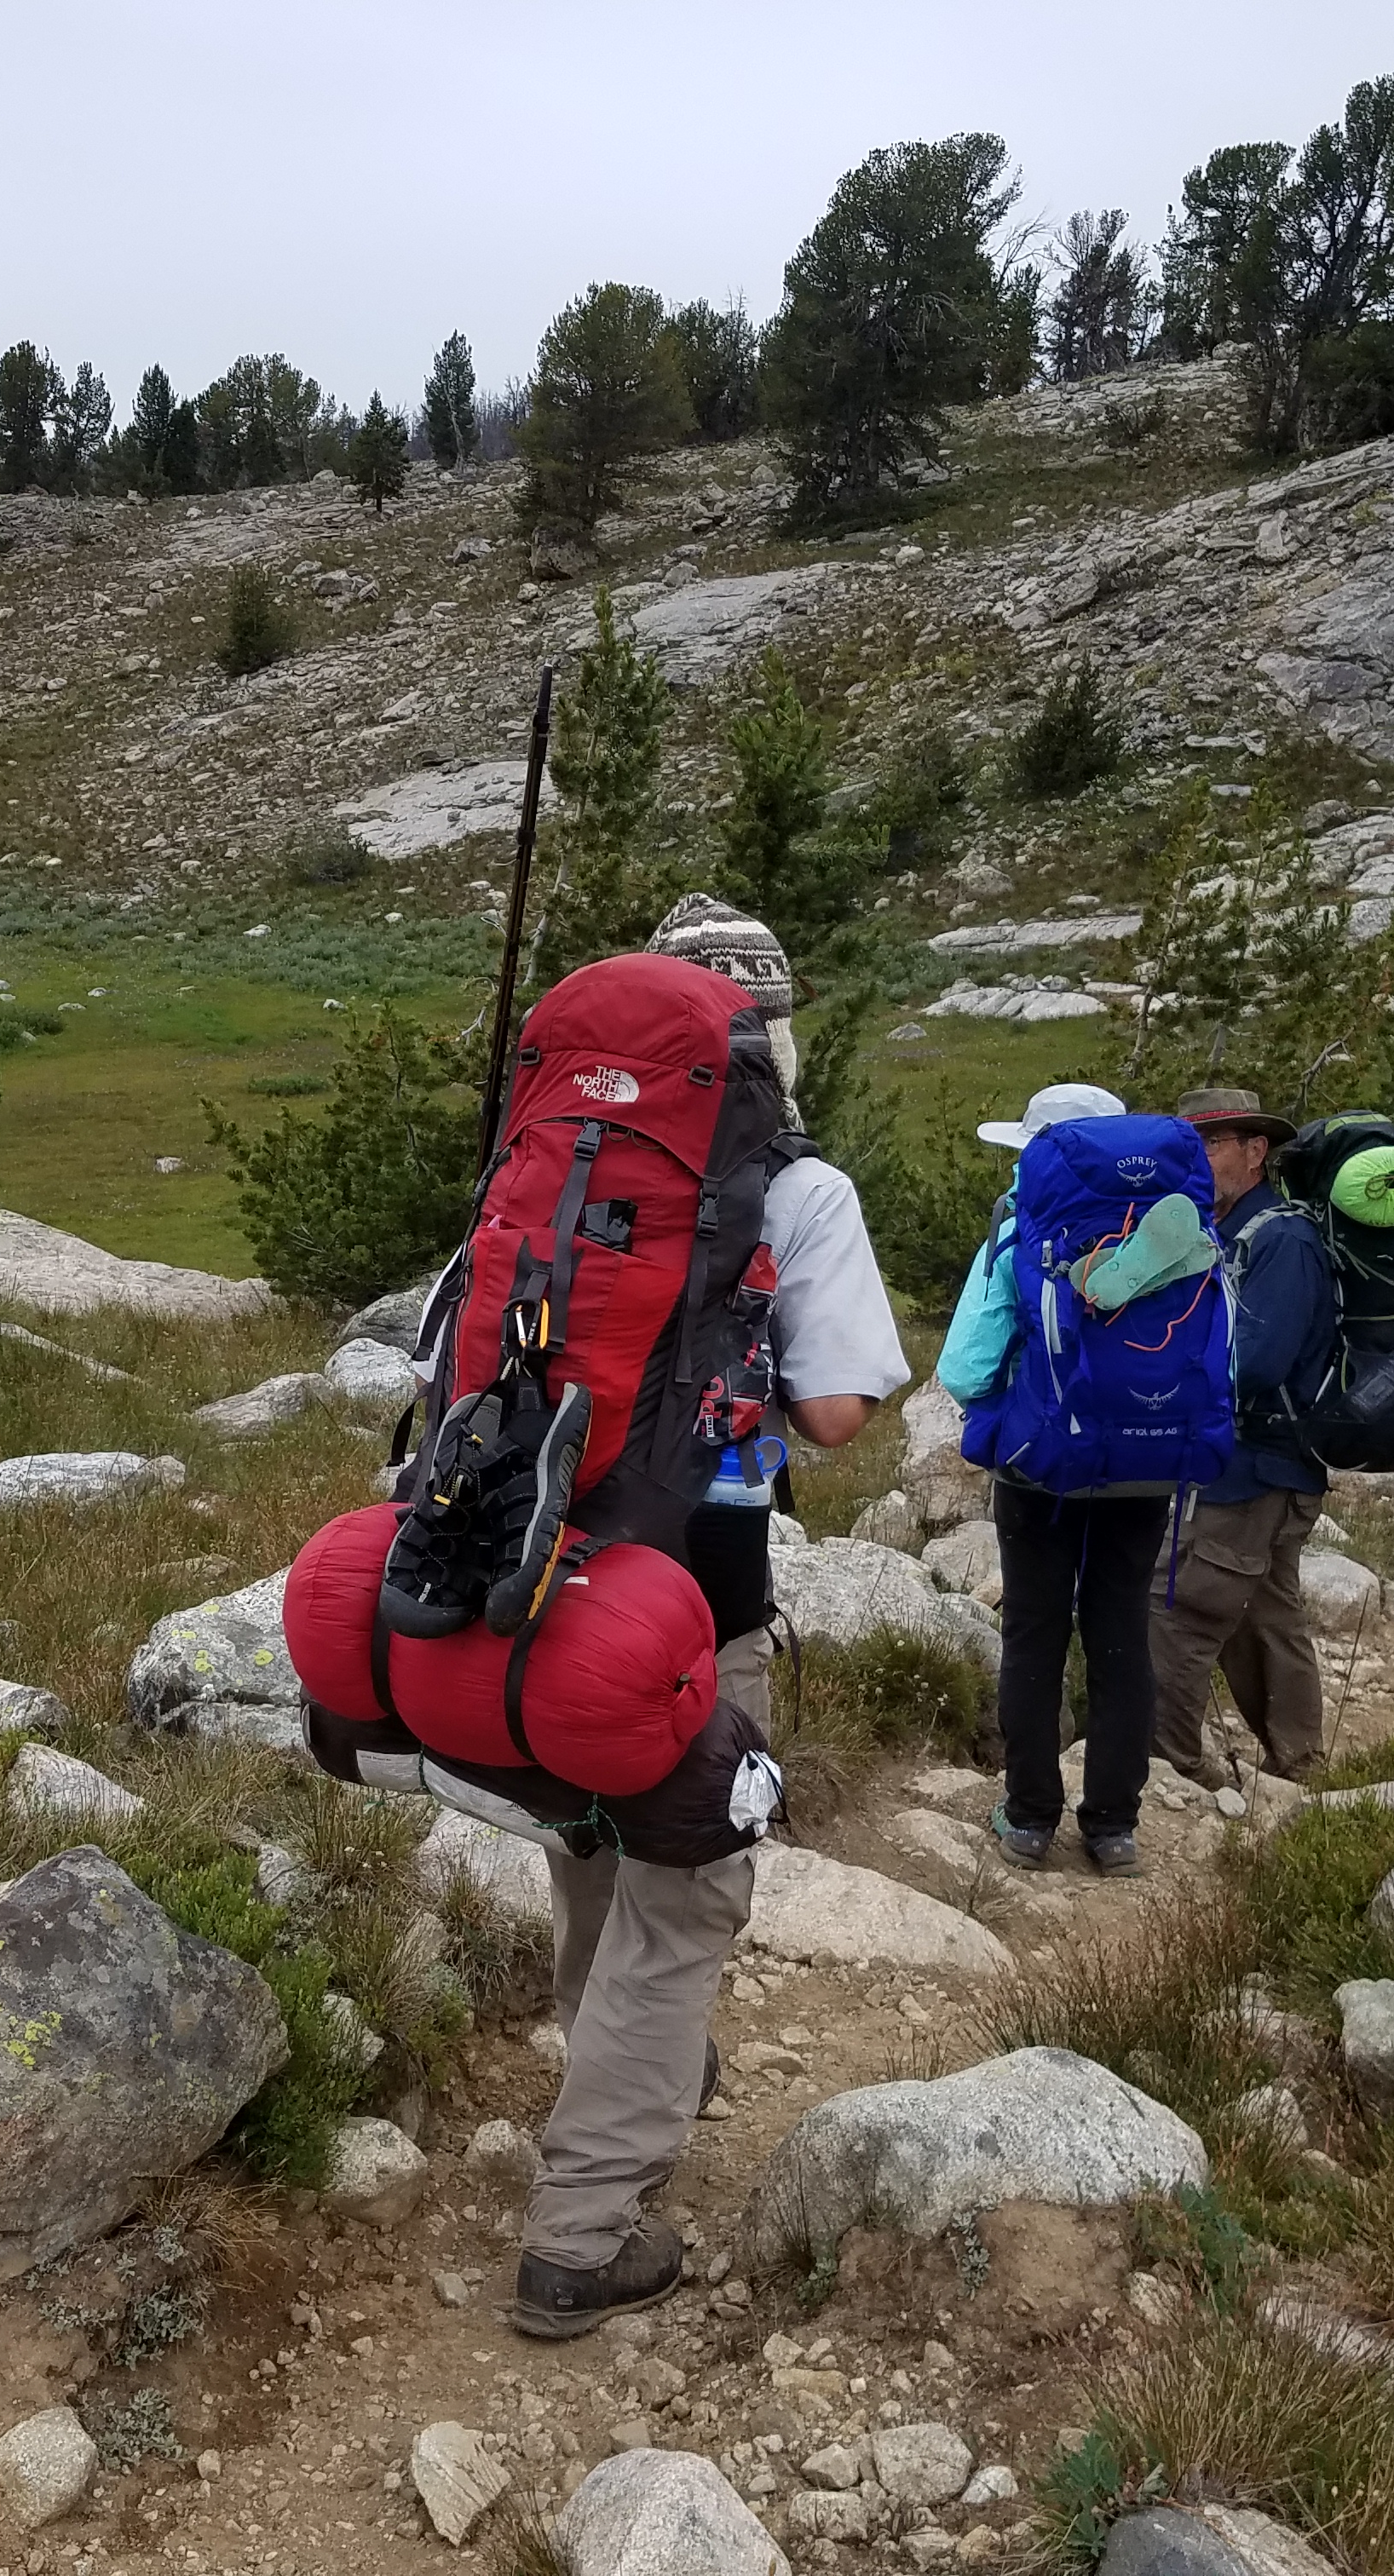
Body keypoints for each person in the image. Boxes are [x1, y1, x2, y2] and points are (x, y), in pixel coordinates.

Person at [512, 896, 909, 2338]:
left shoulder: (542, 1163)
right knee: (686, 1898)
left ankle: (622, 2072)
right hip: (694, 1595)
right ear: (770, 1033)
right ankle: (581, 2227)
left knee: (590, 1843)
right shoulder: (798, 1192)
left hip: (527, 1580)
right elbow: (835, 1411)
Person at [933, 1080, 1178, 1879]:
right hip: (1145, 1465)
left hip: (1041, 1468)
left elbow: (964, 1370)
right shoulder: (1176, 1230)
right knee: (1121, 1636)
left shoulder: (1020, 1231)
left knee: (1035, 1630)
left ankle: (1031, 1818)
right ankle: (1115, 1827)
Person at [1149, 1086, 1339, 1783]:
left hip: (1252, 1468)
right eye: (1187, 1146)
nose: (1196, 1161)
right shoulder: (1225, 1234)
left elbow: (1253, 1362)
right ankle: (1302, 1766)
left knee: (1175, 1610)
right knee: (1264, 1616)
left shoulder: (1281, 1239)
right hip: (1253, 1466)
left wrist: (1160, 1366)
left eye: (1212, 1144)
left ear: (1256, 1152)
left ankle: (1166, 1770)